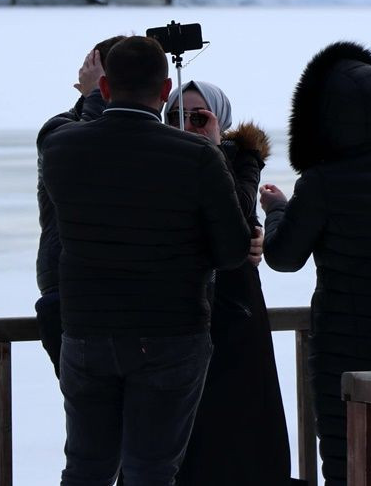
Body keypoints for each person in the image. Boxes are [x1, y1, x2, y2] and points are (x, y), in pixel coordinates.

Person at [41, 36, 251, 486]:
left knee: (86, 467)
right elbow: (232, 252)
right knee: (151, 471)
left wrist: (90, 100)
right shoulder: (197, 158)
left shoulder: (61, 148)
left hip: (87, 330)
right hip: (171, 332)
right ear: (165, 91)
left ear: (105, 89)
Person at [259, 41, 371, 486]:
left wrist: (278, 210)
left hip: (347, 351)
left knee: (348, 461)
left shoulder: (323, 182)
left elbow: (283, 257)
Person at [165, 81, 293, 486]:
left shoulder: (239, 157)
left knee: (240, 422)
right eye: (175, 117)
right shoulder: (156, 157)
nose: (187, 125)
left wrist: (215, 147)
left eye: (198, 116)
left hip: (235, 312)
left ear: (219, 119)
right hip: (179, 314)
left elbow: (236, 221)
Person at [34, 35, 125, 375]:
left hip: (131, 294)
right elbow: (88, 164)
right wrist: (96, 98)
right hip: (69, 292)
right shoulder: (59, 131)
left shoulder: (151, 134)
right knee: (92, 416)